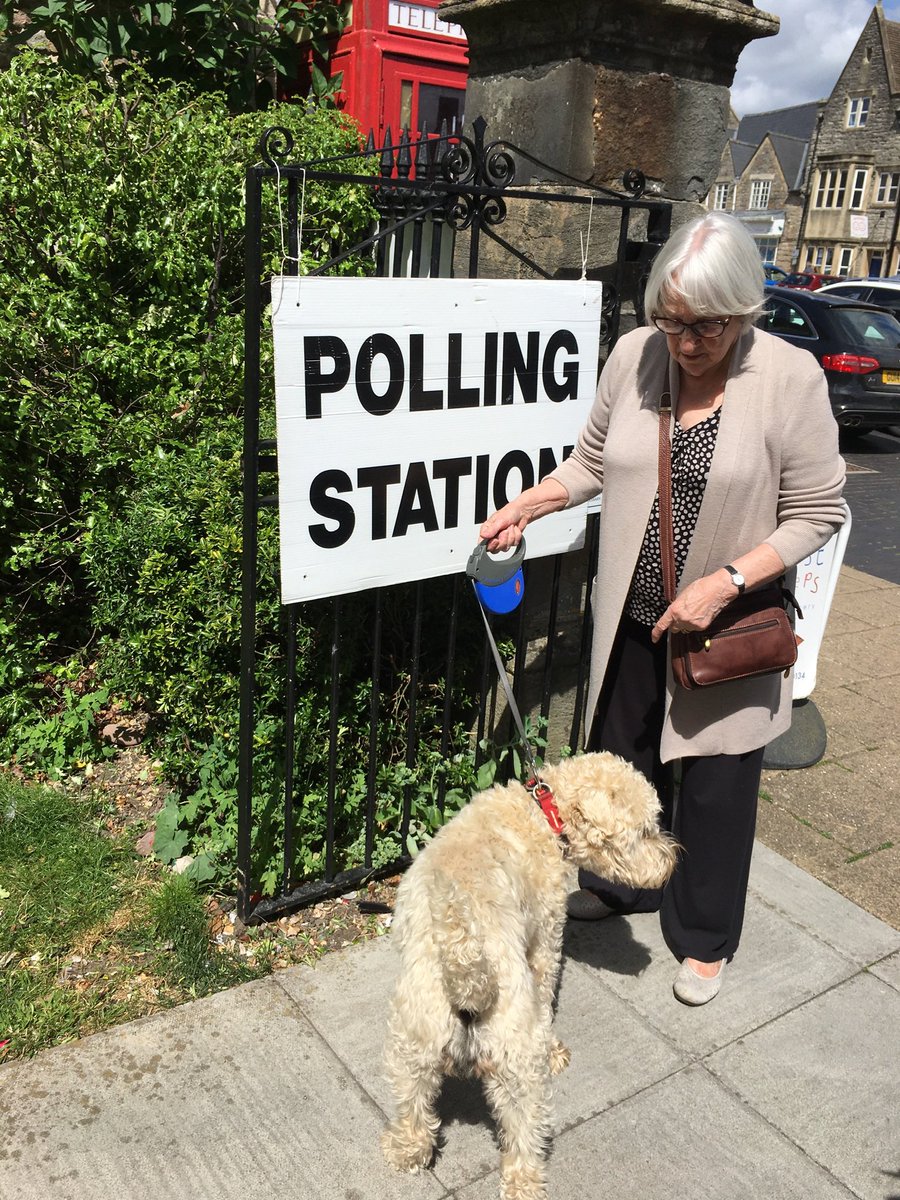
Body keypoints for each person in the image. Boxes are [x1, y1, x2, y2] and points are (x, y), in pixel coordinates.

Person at [479, 211, 846, 1006]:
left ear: (745, 312)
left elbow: (819, 510)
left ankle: (704, 935)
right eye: (671, 321)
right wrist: (530, 505)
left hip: (723, 630)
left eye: (706, 327)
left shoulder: (789, 379)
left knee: (715, 787)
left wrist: (727, 581)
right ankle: (623, 889)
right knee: (625, 768)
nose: (684, 343)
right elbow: (589, 463)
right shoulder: (634, 356)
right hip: (633, 619)